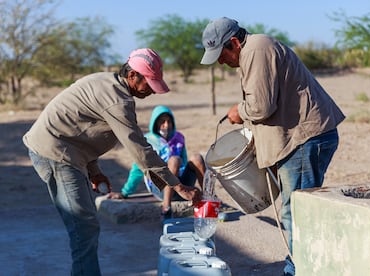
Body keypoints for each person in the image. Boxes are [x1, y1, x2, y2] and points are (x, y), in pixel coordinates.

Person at [22, 48, 202, 276]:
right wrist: (177, 186)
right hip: (55, 153)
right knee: (83, 228)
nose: (151, 91)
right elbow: (139, 149)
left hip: (66, 151)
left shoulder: (108, 84)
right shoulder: (118, 101)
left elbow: (80, 130)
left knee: (85, 226)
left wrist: (94, 170)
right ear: (133, 75)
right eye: (149, 83)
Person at [200, 17, 345, 276]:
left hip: (304, 139)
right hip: (298, 141)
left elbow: (261, 107)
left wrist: (239, 112)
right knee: (297, 211)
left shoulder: (257, 49)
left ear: (233, 42)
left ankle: (302, 269)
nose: (221, 62)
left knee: (296, 213)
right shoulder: (253, 52)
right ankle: (301, 265)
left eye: (221, 54)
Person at [108, 105, 206, 220]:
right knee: (174, 160)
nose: (166, 125)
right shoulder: (146, 141)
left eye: (169, 121)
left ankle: (209, 199)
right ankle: (166, 208)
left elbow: (184, 162)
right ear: (155, 123)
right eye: (162, 122)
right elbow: (137, 168)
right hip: (160, 187)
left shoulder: (179, 138)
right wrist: (125, 192)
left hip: (180, 185)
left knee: (197, 158)